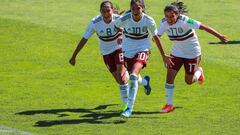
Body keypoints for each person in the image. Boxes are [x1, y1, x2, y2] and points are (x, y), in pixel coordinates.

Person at [69, 1, 151, 113]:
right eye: (103, 10)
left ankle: (126, 107)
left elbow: (125, 29)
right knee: (120, 80)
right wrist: (74, 56)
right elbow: (84, 39)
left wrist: (120, 35)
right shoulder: (95, 22)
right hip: (106, 53)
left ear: (112, 10)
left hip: (120, 49)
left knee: (122, 79)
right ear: (100, 11)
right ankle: (144, 81)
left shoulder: (118, 19)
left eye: (108, 10)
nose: (106, 13)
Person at [157, 1, 228, 113]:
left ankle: (199, 71)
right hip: (176, 53)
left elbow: (204, 27)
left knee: (189, 81)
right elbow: (157, 37)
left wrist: (220, 36)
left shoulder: (186, 21)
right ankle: (169, 105)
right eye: (167, 16)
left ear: (177, 15)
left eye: (172, 16)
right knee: (169, 78)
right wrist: (163, 55)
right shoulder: (163, 23)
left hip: (192, 53)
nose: (169, 19)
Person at [115, 0, 171, 117]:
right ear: (131, 8)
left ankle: (129, 109)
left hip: (143, 49)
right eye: (133, 8)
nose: (136, 11)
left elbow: (156, 37)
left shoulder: (148, 20)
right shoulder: (125, 18)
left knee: (133, 75)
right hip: (127, 50)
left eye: (138, 8)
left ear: (142, 9)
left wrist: (163, 55)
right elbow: (116, 26)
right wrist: (120, 34)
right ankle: (145, 82)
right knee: (132, 76)